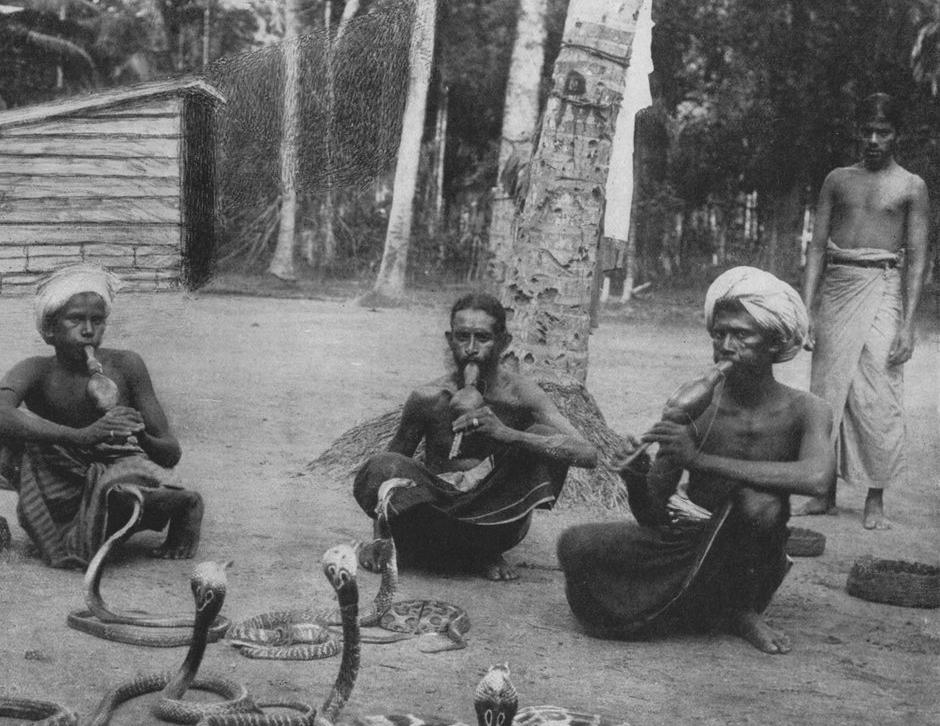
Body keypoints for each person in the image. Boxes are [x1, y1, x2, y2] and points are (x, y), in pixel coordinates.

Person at [557, 267, 835, 655]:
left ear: (774, 342)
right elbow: (653, 516)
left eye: (742, 334)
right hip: (685, 540)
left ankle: (742, 609)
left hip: (751, 553)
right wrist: (638, 478)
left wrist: (699, 460)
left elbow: (818, 478)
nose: (726, 345)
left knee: (761, 503)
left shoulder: (807, 410)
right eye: (719, 333)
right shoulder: (696, 408)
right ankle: (703, 607)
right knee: (575, 544)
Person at [352, 292, 598, 581]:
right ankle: (451, 553)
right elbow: (387, 473)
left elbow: (587, 454)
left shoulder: (521, 396)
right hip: (436, 513)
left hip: (496, 521)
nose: (470, 348)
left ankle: (484, 551)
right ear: (449, 339)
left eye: (482, 338)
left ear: (503, 342)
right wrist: (381, 539)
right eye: (462, 337)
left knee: (542, 437)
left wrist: (505, 433)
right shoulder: (427, 397)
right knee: (382, 464)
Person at [0, 264, 202, 568]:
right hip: (65, 469)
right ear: (49, 330)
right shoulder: (37, 369)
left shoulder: (126, 366)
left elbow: (170, 452)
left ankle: (183, 503)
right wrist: (81, 436)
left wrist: (137, 433)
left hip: (119, 469)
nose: (88, 330)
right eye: (75, 319)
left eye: (97, 321)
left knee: (115, 494)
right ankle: (71, 521)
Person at [798, 92, 930, 530]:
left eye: (883, 132)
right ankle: (823, 492)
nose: (874, 140)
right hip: (838, 285)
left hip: (884, 287)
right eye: (867, 131)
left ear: (897, 136)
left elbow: (916, 256)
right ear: (858, 132)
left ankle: (875, 499)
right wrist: (807, 308)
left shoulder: (911, 186)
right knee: (827, 391)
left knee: (879, 393)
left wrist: (908, 325)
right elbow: (817, 246)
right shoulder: (837, 180)